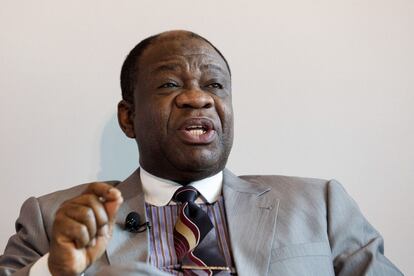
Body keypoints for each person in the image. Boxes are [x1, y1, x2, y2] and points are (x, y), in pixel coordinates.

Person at [0, 30, 403, 276]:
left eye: (215, 86)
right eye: (170, 85)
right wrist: (52, 272)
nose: (197, 98)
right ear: (129, 118)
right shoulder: (53, 218)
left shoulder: (322, 205)